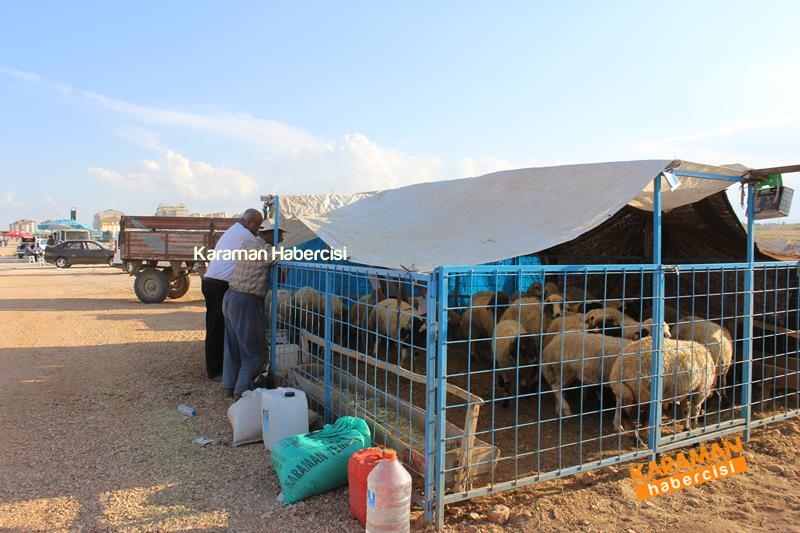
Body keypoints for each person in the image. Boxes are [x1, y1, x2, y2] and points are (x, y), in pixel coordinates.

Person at [222, 219, 286, 399]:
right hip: (246, 300)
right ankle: (242, 392)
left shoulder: (247, 244)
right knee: (255, 351)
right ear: (268, 234)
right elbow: (280, 258)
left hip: (231, 297)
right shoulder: (265, 251)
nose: (281, 238)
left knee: (233, 346)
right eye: (279, 233)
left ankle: (229, 385)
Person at [201, 208, 264, 380]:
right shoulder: (245, 235)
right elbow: (263, 245)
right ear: (249, 223)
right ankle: (214, 370)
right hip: (217, 285)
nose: (258, 229)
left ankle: (222, 368)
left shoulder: (235, 230)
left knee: (219, 327)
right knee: (216, 327)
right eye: (258, 225)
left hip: (213, 282)